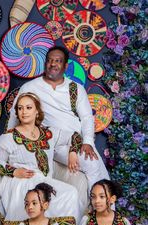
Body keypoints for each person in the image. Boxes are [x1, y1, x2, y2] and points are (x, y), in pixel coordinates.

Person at [6, 45, 110, 210]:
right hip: (52, 141)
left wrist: (88, 142)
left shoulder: (75, 88)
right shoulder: (31, 88)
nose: (53, 64)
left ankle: (105, 213)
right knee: (92, 165)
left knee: (97, 166)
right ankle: (99, 212)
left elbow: (86, 118)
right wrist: (9, 141)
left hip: (77, 140)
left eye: (58, 61)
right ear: (45, 63)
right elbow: (14, 115)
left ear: (65, 66)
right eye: (49, 61)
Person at [0, 92, 81, 223]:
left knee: (71, 192)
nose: (24, 112)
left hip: (43, 181)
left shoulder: (48, 133)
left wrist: (72, 152)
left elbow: (75, 136)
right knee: (36, 198)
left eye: (28, 107)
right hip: (20, 181)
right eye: (20, 108)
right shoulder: (8, 137)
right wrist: (14, 171)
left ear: (37, 111)